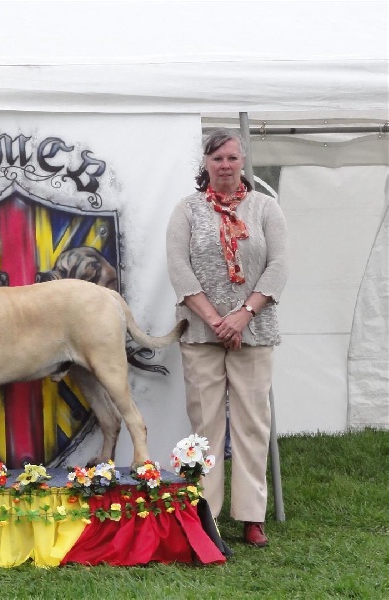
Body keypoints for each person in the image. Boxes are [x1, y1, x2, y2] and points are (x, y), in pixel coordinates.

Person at [166, 128, 288, 547]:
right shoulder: (186, 210)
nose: (225, 166)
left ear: (243, 162)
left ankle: (252, 516)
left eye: (232, 158)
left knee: (253, 423)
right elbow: (179, 269)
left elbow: (278, 268)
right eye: (217, 159)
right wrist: (217, 319)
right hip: (201, 333)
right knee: (205, 425)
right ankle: (207, 512)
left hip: (254, 332)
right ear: (205, 164)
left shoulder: (266, 209)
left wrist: (242, 316)